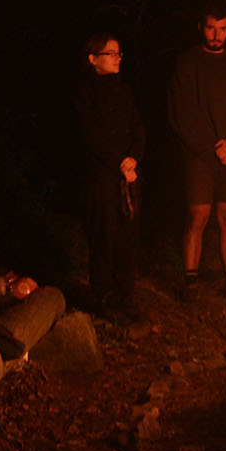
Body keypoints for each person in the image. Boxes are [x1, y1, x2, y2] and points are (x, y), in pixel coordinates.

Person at [167, 6, 226, 296]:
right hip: (199, 156)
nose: (216, 34)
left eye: (222, 28)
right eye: (210, 28)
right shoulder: (188, 64)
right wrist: (212, 147)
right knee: (198, 216)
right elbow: (180, 112)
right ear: (201, 28)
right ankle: (190, 281)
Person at [75, 32, 145, 323]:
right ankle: (104, 296)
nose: (118, 58)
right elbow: (90, 135)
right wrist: (117, 161)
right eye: (111, 53)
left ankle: (125, 295)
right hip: (102, 176)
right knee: (104, 234)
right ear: (93, 59)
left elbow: (138, 127)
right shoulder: (84, 92)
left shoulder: (124, 91)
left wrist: (133, 156)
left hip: (127, 175)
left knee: (127, 236)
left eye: (119, 53)